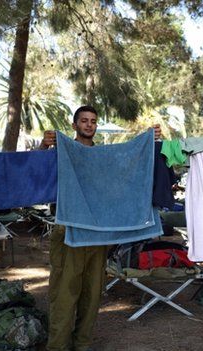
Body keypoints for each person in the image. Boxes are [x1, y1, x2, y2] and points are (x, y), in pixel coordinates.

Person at [40, 105, 161, 351]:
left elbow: (126, 173)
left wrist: (151, 141)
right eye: (84, 121)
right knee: (64, 294)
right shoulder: (60, 152)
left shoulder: (102, 159)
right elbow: (37, 171)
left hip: (96, 234)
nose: (89, 125)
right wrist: (44, 146)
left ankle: (83, 344)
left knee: (92, 294)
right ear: (74, 125)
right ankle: (58, 346)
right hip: (68, 231)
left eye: (93, 121)